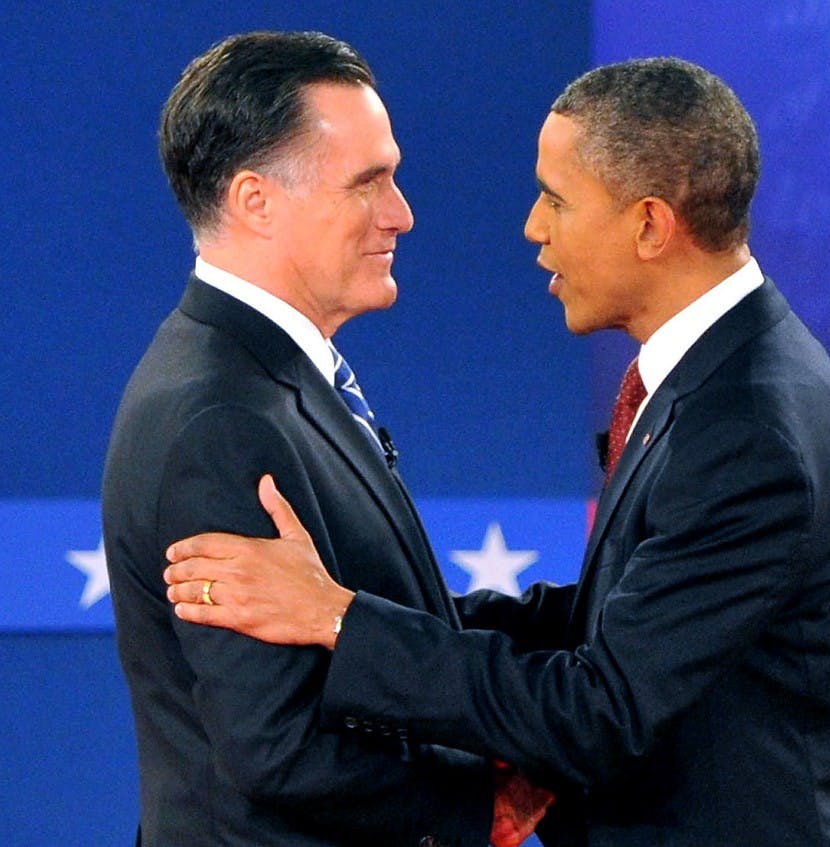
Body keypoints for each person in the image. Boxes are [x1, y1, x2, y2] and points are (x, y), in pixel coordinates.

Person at [164, 57, 830, 846]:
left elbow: (602, 710)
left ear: (650, 226)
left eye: (556, 200)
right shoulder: (722, 372)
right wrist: (359, 606)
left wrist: (342, 619)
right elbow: (618, 613)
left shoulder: (748, 427)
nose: (533, 227)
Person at [103, 30, 551, 847]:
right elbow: (275, 741)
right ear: (256, 201)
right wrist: (474, 803)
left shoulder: (264, 373)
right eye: (368, 183)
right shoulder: (221, 418)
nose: (401, 214)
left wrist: (595, 633)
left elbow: (375, 601)